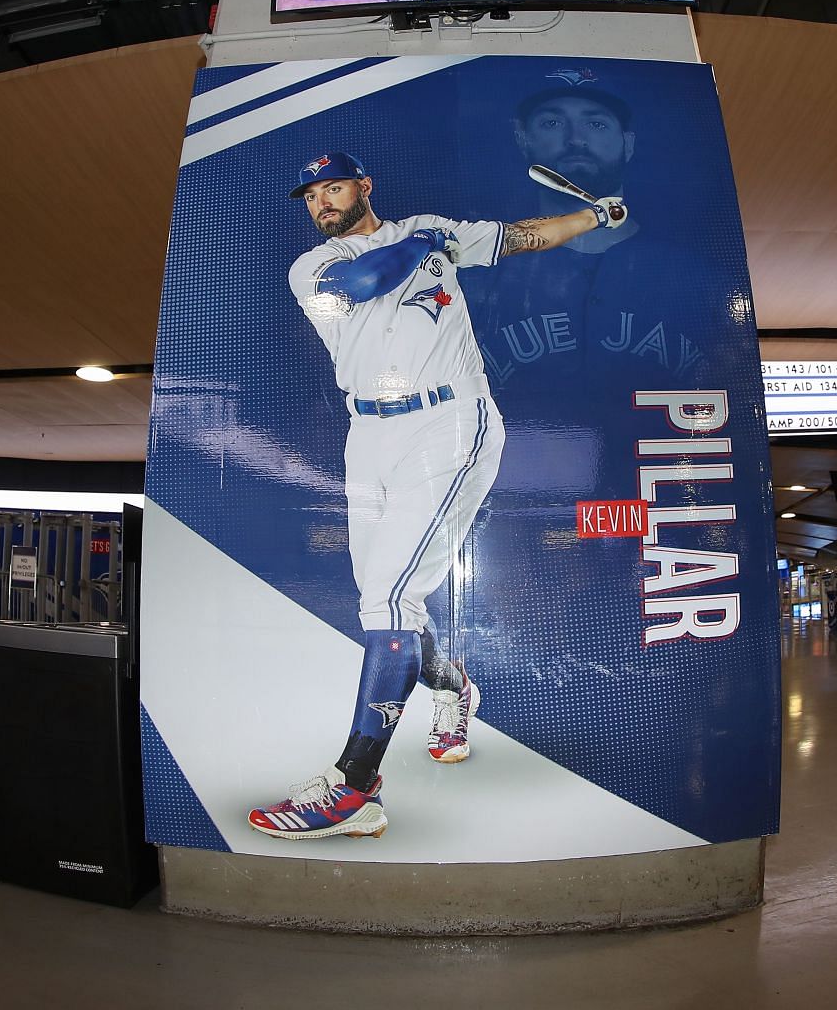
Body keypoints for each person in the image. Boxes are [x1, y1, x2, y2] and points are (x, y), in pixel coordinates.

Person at [247, 150, 628, 841]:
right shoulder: (312, 268)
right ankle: (454, 687)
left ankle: (354, 786)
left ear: (364, 185)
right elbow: (368, 277)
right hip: (368, 432)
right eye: (311, 196)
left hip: (451, 420)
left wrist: (593, 215)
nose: (322, 204)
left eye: (333, 187)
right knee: (385, 600)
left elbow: (521, 235)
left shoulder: (428, 226)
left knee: (391, 599)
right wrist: (429, 243)